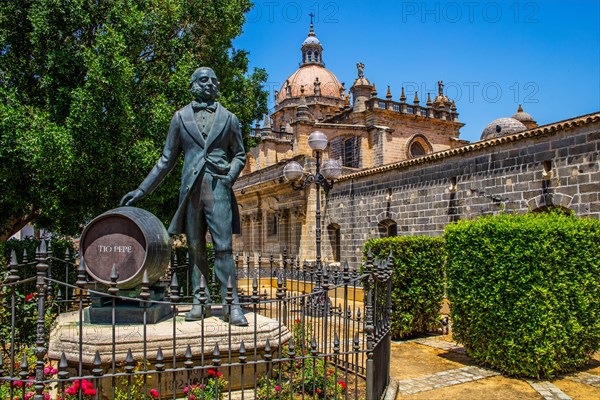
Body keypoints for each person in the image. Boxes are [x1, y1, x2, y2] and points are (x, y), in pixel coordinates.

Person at [121, 67, 248, 326]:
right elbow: (166, 160)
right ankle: (199, 302)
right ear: (193, 86)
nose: (211, 84)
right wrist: (142, 190)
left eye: (214, 80)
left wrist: (229, 176)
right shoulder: (179, 118)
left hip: (218, 188)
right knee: (195, 248)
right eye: (204, 80)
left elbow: (240, 154)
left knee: (223, 247)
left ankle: (231, 304)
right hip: (190, 191)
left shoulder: (230, 118)